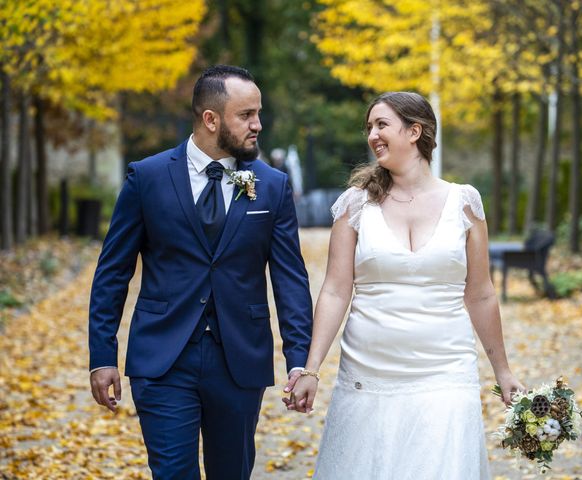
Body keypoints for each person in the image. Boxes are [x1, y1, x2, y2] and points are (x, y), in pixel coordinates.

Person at [88, 65, 313, 479]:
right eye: (246, 115)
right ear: (210, 119)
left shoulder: (273, 185)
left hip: (239, 361)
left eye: (258, 113)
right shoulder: (147, 177)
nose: (257, 125)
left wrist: (300, 360)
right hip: (162, 358)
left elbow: (290, 279)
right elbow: (112, 272)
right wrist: (102, 355)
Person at [287, 91, 524, 479]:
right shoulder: (355, 205)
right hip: (369, 373)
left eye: (381, 125)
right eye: (369, 127)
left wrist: (503, 371)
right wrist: (311, 369)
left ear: (415, 131)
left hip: (445, 370)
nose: (372, 135)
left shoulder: (464, 203)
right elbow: (334, 290)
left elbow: (480, 293)